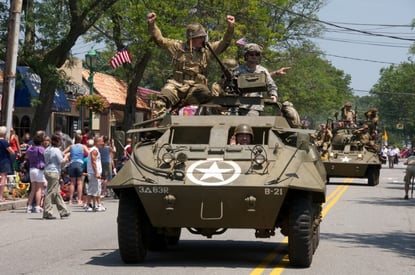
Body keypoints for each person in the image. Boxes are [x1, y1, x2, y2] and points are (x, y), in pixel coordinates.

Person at [147, 12, 235, 117]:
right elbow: (159, 39)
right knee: (161, 100)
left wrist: (230, 28)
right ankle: (161, 127)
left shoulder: (207, 50)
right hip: (177, 85)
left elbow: (224, 42)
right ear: (191, 38)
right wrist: (152, 25)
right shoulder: (177, 47)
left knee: (210, 99)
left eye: (203, 36)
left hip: (196, 88)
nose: (203, 39)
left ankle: (215, 121)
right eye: (200, 37)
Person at [234, 43, 278, 116]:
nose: (254, 56)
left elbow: (271, 85)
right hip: (237, 105)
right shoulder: (238, 70)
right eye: (251, 54)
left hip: (254, 106)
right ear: (246, 56)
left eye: (257, 54)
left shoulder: (262, 71)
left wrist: (273, 95)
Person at [43, 134, 70, 219]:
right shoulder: (56, 150)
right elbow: (62, 161)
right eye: (60, 140)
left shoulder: (47, 149)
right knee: (51, 192)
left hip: (48, 170)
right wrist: (66, 157)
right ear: (57, 141)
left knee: (57, 192)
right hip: (53, 172)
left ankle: (63, 211)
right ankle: (47, 212)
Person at [63, 135, 89, 204]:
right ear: (81, 140)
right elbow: (89, 153)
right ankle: (79, 199)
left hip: (72, 163)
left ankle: (70, 200)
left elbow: (63, 152)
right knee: (79, 182)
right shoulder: (83, 146)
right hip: (80, 163)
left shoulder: (71, 146)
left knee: (72, 182)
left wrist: (69, 156)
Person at [25, 134, 47, 213]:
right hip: (39, 169)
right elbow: (45, 156)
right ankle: (37, 206)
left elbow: (26, 156)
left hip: (32, 169)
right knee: (39, 189)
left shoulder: (30, 149)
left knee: (33, 189)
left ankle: (29, 206)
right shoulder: (41, 148)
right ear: (41, 142)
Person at [85, 136, 106, 212]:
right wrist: (96, 172)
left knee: (96, 189)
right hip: (93, 173)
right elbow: (93, 162)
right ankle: (89, 205)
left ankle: (98, 205)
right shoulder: (94, 150)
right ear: (97, 142)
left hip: (94, 173)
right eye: (101, 141)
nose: (103, 143)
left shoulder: (95, 150)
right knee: (93, 190)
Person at [0, 126, 15, 202]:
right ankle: (0, 196)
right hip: (4, 161)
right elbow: (11, 151)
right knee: (3, 178)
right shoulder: (4, 142)